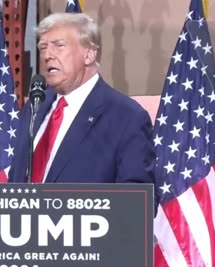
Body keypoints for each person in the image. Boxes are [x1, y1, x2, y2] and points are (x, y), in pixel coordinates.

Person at [9, 12, 155, 187]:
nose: (48, 55)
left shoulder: (126, 117)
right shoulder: (35, 105)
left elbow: (138, 200)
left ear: (89, 55)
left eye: (59, 45)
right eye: (43, 47)